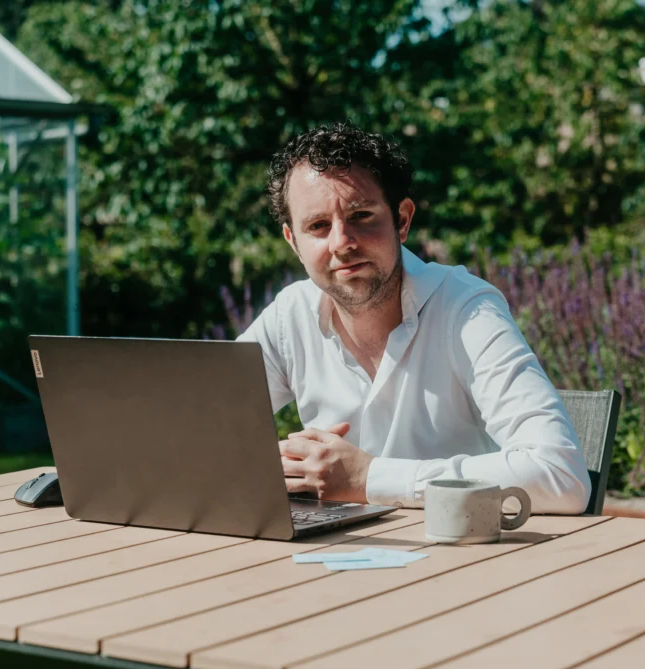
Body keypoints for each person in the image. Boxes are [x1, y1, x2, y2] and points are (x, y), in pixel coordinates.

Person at [237, 122, 590, 514]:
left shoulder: (466, 309)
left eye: (362, 215)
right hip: (333, 557)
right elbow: (196, 431)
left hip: (466, 559)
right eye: (318, 226)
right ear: (293, 242)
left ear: (402, 220)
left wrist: (367, 479)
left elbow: (562, 474)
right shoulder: (289, 317)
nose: (341, 242)